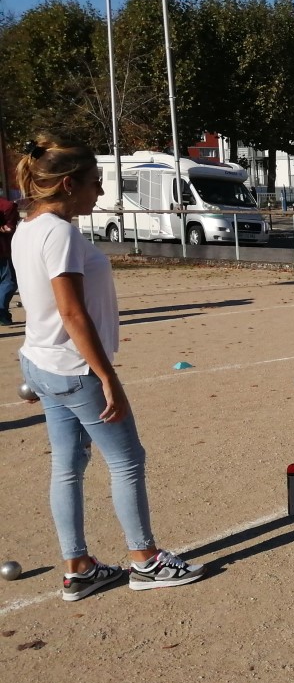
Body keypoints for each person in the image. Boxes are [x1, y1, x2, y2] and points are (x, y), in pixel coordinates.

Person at [13, 134, 206, 602]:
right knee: (127, 461)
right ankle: (146, 561)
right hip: (74, 369)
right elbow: (72, 313)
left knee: (67, 465)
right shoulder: (58, 233)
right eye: (95, 182)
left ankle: (78, 568)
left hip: (41, 362)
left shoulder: (29, 226)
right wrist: (107, 377)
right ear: (67, 183)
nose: (100, 191)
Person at [0, 193, 20, 326]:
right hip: (3, 250)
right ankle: (2, 314)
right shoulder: (7, 206)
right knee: (10, 281)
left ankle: (4, 314)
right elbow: (9, 228)